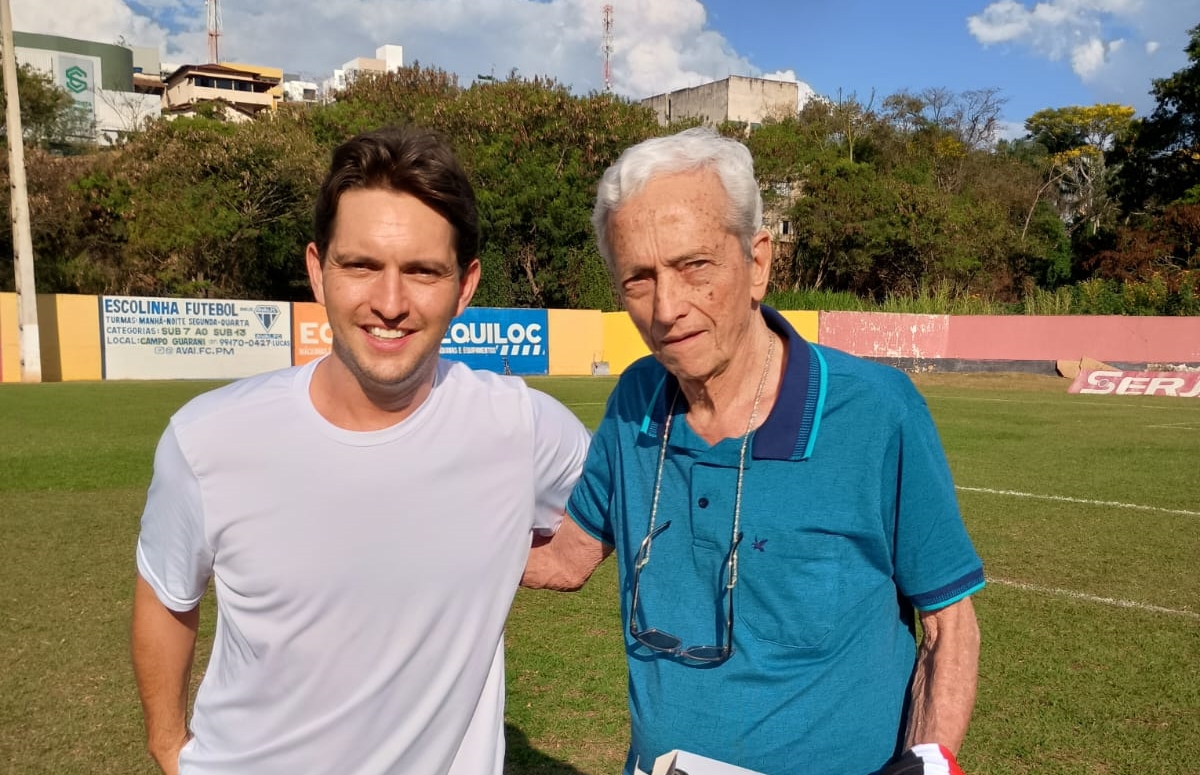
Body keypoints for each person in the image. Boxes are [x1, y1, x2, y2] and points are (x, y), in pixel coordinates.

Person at [522, 127, 984, 775]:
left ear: (758, 262)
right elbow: (565, 560)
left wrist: (929, 762)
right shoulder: (633, 401)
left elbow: (948, 624)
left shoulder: (876, 410)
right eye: (639, 278)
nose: (668, 307)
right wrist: (431, 529)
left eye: (694, 265)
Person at [131, 126, 591, 775]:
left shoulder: (519, 427)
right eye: (361, 266)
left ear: (464, 287)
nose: (390, 303)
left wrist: (543, 558)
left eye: (422, 271)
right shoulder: (207, 437)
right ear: (317, 271)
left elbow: (627, 492)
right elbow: (165, 593)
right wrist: (167, 743)